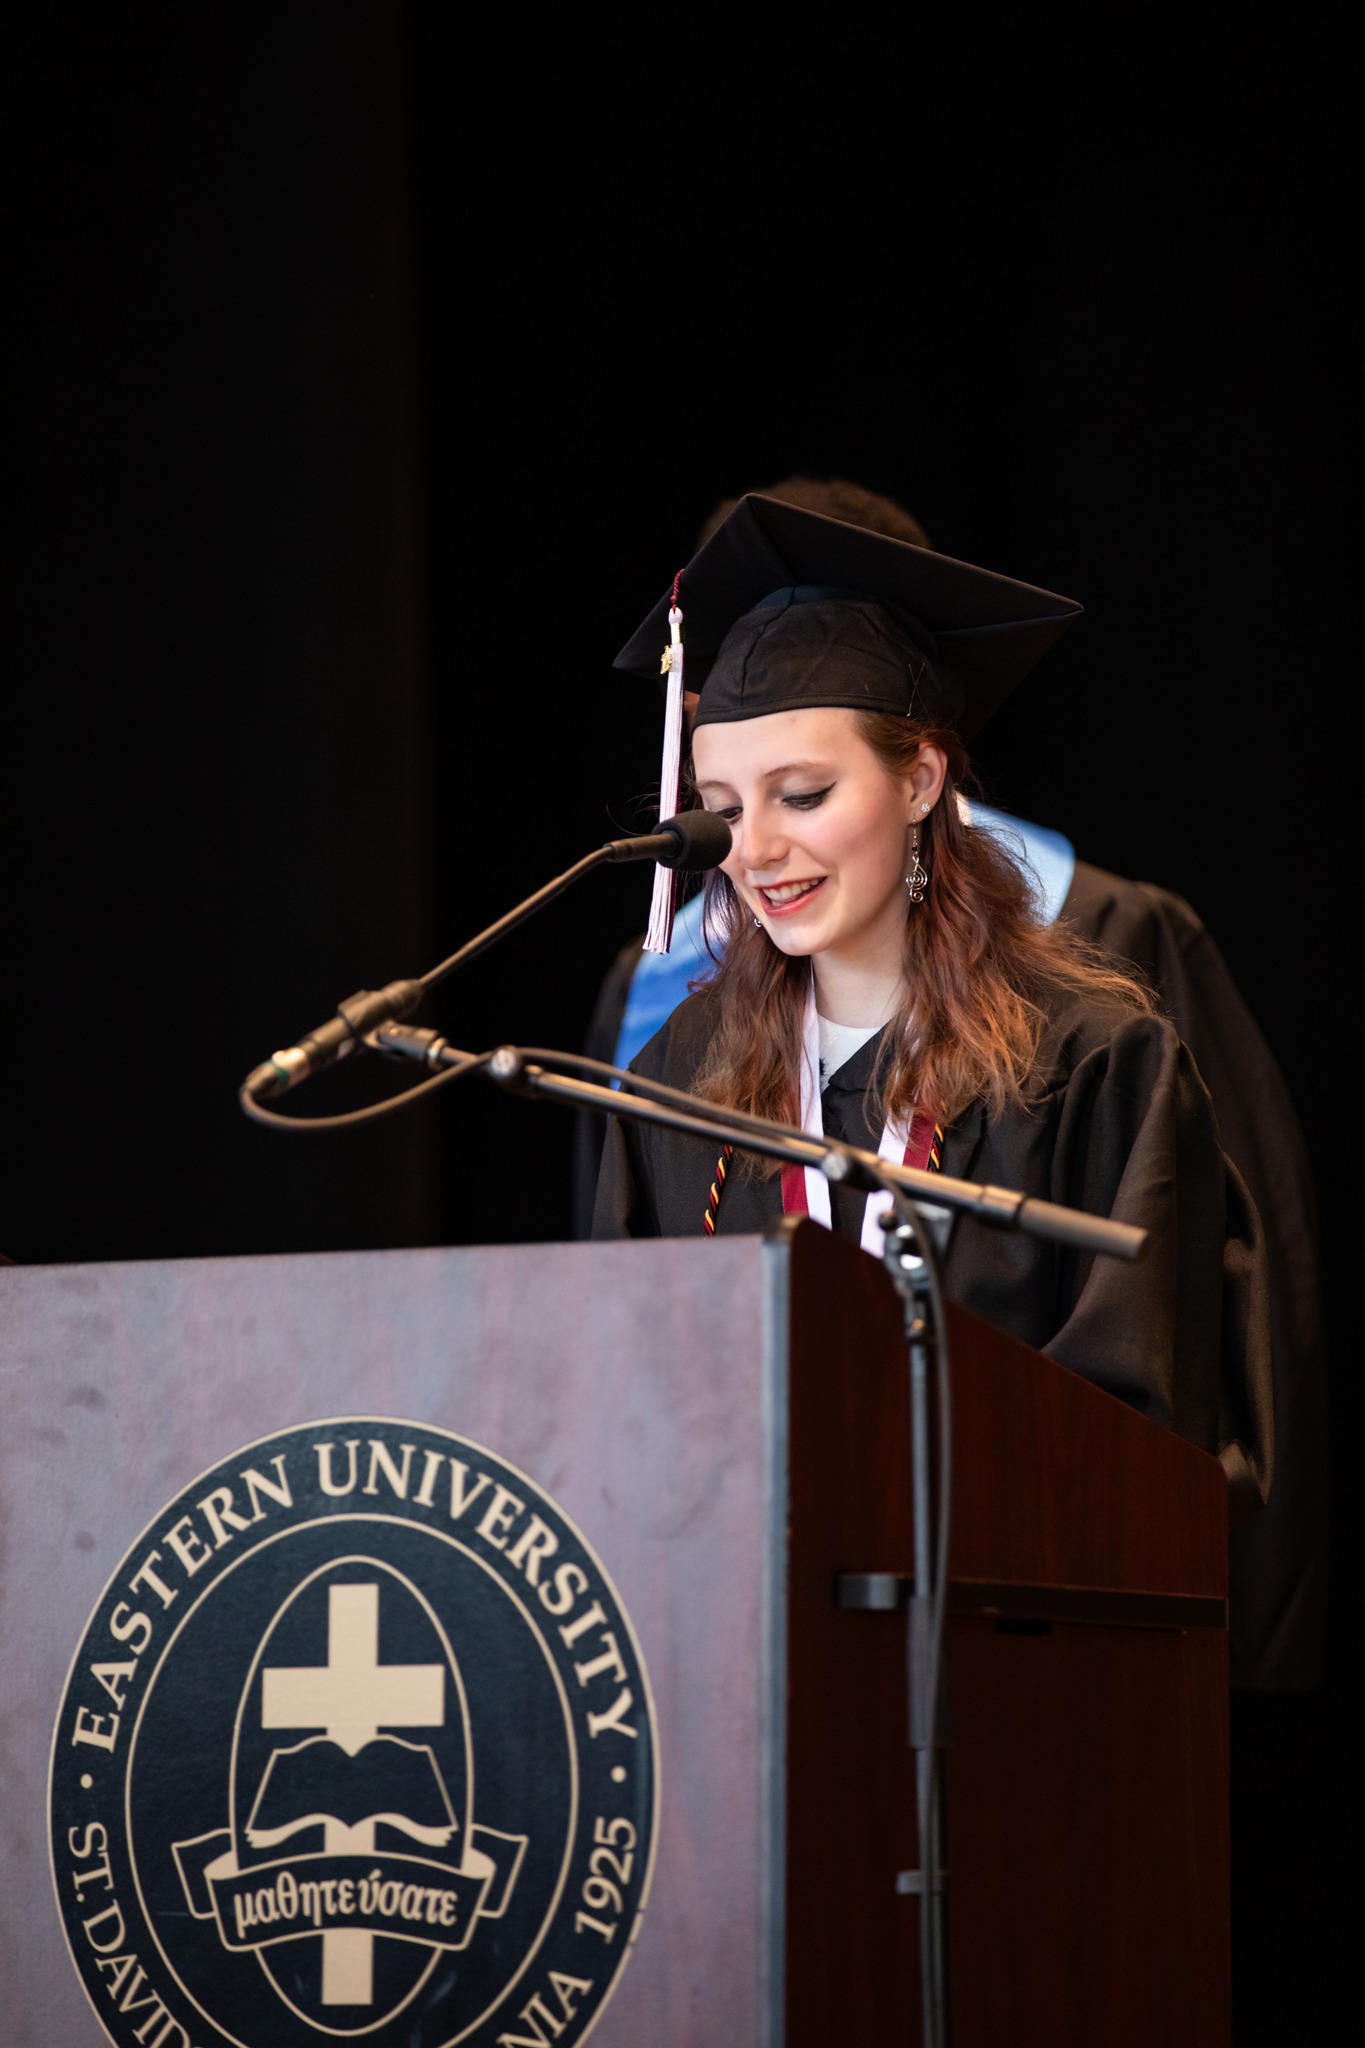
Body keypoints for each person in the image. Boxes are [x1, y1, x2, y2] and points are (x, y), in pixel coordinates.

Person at [579, 476, 1324, 1693]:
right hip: (750, 1683)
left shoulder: (1091, 1054)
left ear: (922, 780)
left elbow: (1148, 1427)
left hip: (1016, 1690)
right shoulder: (685, 1070)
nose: (756, 850)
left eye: (804, 794)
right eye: (722, 810)